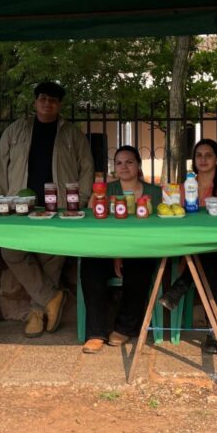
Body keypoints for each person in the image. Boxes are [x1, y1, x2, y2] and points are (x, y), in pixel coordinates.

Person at [0, 81, 94, 337]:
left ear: (59, 105)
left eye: (53, 100)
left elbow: (87, 167)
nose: (47, 103)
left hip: (60, 207)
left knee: (52, 256)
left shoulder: (72, 134)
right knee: (10, 251)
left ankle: (37, 313)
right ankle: (53, 296)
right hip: (21, 206)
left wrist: (79, 200)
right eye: (43, 98)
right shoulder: (16, 130)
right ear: (35, 102)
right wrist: (3, 200)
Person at [158, 139, 217, 354]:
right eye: (199, 155)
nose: (203, 159)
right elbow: (173, 223)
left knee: (209, 258)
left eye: (208, 155)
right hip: (190, 252)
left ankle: (179, 288)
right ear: (193, 161)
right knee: (207, 264)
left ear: (216, 160)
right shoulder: (182, 189)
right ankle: (214, 334)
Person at [79, 146, 159, 353]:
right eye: (119, 163)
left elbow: (161, 229)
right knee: (91, 266)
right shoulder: (105, 190)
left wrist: (125, 252)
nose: (124, 167)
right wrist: (115, 253)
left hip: (142, 249)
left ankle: (125, 327)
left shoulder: (155, 193)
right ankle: (96, 333)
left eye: (129, 162)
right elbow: (92, 221)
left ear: (138, 165)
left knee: (139, 268)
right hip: (107, 249)